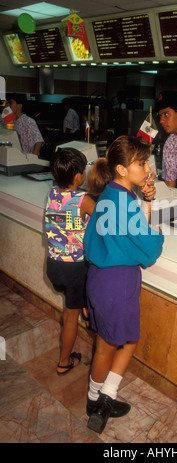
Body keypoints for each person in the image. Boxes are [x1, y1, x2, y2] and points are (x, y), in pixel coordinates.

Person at [83, 136, 164, 434]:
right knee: (118, 343)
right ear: (121, 169)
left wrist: (145, 198)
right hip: (118, 283)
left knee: (110, 341)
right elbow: (150, 248)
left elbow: (119, 232)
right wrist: (151, 210)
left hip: (99, 280)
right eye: (141, 163)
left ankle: (101, 396)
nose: (147, 168)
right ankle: (99, 400)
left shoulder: (110, 193)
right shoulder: (125, 204)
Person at [45, 147, 95, 375]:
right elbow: (105, 219)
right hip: (74, 268)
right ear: (78, 176)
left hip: (54, 265)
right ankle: (64, 362)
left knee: (69, 308)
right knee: (72, 318)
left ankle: (75, 310)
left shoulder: (52, 194)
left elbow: (68, 224)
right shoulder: (83, 200)